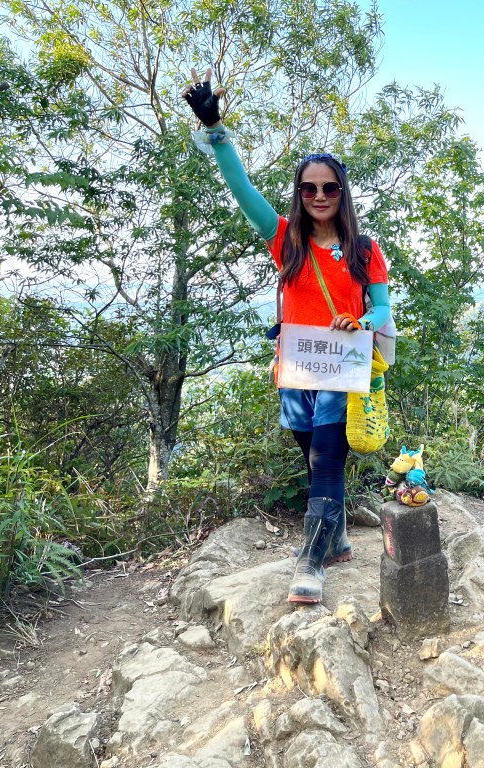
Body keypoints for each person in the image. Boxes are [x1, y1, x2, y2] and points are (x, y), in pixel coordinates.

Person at [182, 68, 391, 604]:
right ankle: (336, 537)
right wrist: (216, 131)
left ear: (342, 193)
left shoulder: (365, 249)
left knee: (327, 457)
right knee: (310, 452)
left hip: (343, 368)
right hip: (296, 368)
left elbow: (382, 308)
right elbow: (241, 189)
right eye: (309, 187)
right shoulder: (285, 239)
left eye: (329, 187)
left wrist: (362, 322)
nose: (319, 195)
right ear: (300, 194)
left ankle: (311, 561)